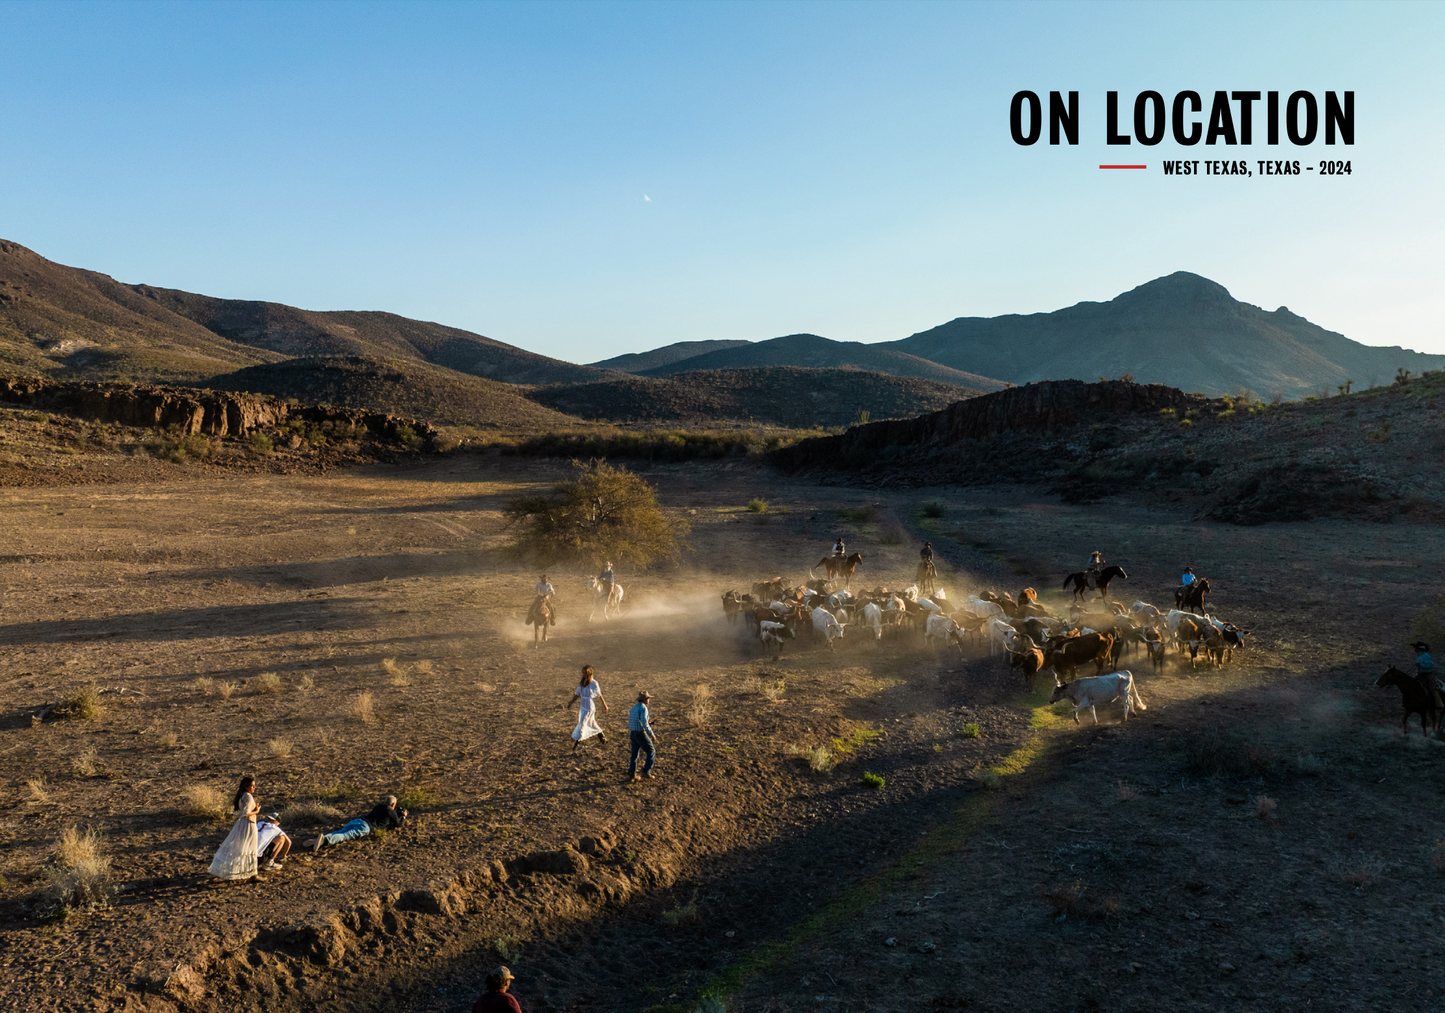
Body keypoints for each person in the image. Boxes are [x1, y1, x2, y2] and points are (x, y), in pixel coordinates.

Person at [310, 794, 409, 853]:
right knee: (345, 835)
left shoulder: (378, 806)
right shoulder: (391, 812)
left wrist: (398, 813)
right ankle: (326, 840)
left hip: (358, 820)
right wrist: (403, 817)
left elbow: (385, 814)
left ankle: (321, 839)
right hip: (366, 827)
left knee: (341, 831)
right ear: (393, 804)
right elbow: (398, 824)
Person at [209, 775, 263, 882]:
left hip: (241, 825)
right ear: (246, 787)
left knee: (240, 848)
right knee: (250, 848)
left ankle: (247, 872)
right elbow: (246, 813)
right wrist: (256, 811)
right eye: (252, 786)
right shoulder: (248, 797)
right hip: (249, 824)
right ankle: (253, 874)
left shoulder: (241, 796)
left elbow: (238, 813)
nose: (254, 788)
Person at [566, 665, 609, 752]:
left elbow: (600, 695)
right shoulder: (582, 682)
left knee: (582, 723)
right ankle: (602, 737)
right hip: (583, 707)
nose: (584, 674)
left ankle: (577, 742)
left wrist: (605, 705)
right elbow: (577, 694)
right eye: (583, 672)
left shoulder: (594, 683)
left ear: (590, 673)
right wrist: (571, 702)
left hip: (590, 707)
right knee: (592, 722)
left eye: (585, 672)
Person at [626, 690, 660, 782]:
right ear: (645, 699)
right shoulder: (643, 708)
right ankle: (646, 771)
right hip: (640, 733)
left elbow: (636, 721)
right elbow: (644, 723)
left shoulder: (633, 708)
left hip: (633, 733)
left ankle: (632, 773)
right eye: (648, 698)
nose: (649, 699)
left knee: (634, 755)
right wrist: (651, 734)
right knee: (651, 751)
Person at [1413, 641, 1442, 710]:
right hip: (1421, 674)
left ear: (1419, 649)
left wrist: (1421, 665)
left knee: (1432, 688)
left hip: (1428, 674)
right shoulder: (1419, 655)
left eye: (1416, 648)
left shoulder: (1426, 656)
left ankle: (1439, 704)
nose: (1415, 649)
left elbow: (1430, 665)